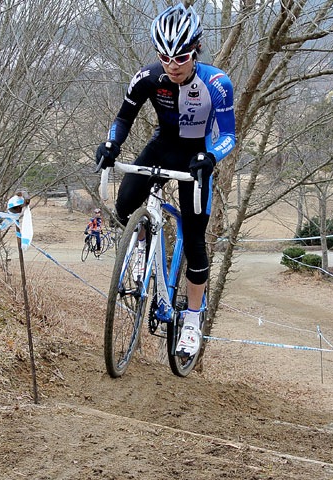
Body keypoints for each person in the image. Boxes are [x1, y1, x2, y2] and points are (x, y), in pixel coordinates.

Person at [95, 4, 236, 357]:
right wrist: (112, 144)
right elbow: (123, 118)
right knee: (125, 205)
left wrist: (211, 156)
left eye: (181, 57)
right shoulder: (148, 78)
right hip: (161, 148)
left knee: (194, 241)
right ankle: (141, 246)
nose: (173, 65)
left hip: (197, 157)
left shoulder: (217, 83)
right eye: (165, 57)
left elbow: (230, 136)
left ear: (196, 50)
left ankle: (190, 320)